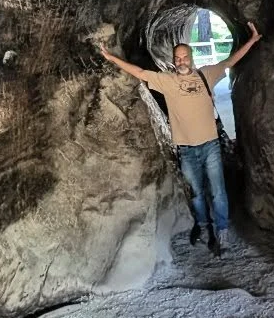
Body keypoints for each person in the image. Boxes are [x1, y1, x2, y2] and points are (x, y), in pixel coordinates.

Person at [100, 22, 262, 256]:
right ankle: (204, 226)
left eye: (185, 56)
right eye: (178, 57)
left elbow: (230, 61)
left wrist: (252, 40)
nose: (181, 61)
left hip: (210, 146)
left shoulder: (206, 75)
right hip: (186, 149)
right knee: (197, 193)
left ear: (191, 57)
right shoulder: (168, 82)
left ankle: (222, 230)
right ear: (174, 60)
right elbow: (139, 72)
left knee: (218, 191)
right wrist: (110, 57)